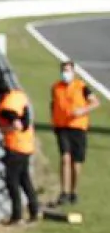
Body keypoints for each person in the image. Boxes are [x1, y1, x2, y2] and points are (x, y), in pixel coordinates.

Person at [50, 60, 99, 206]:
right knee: (65, 158)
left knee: (76, 162)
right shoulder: (55, 87)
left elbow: (95, 102)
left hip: (78, 127)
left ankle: (73, 191)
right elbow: (53, 105)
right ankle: (64, 192)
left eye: (68, 70)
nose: (66, 73)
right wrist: (54, 121)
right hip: (62, 127)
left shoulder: (81, 86)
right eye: (64, 70)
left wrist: (82, 111)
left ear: (73, 72)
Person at [0, 79, 41, 225]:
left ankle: (17, 215)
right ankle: (34, 210)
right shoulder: (18, 97)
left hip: (15, 146)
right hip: (26, 145)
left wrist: (1, 130)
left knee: (12, 182)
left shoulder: (7, 106)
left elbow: (17, 125)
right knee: (25, 180)